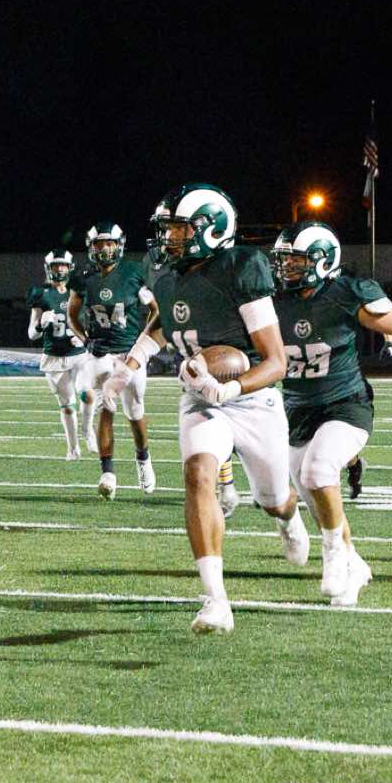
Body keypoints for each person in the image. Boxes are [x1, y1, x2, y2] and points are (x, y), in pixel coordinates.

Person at [104, 184, 308, 634]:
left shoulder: (241, 268)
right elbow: (162, 324)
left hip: (253, 398)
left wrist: (230, 388)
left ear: (210, 228)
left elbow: (276, 361)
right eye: (168, 230)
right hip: (199, 395)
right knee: (198, 474)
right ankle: (216, 600)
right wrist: (128, 367)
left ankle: (290, 517)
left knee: (274, 500)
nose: (169, 238)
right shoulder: (167, 276)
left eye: (179, 229)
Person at [271, 221, 392, 605]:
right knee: (317, 499)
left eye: (296, 260)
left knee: (318, 471)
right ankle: (354, 565)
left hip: (346, 404)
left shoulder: (344, 293)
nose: (286, 268)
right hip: (297, 409)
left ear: (323, 260)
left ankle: (334, 556)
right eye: (284, 260)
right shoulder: (273, 301)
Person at [66, 222, 158, 498]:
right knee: (106, 405)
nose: (104, 249)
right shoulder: (83, 278)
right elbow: (72, 315)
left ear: (119, 245)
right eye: (99, 244)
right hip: (100, 353)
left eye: (109, 243)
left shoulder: (133, 273)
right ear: (90, 247)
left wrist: (142, 343)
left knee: (135, 412)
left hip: (129, 354)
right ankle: (107, 472)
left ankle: (143, 458)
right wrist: (85, 340)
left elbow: (155, 311)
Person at [27, 250, 90, 459]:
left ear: (70, 268)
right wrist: (40, 324)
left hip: (79, 354)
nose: (60, 269)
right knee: (68, 405)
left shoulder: (79, 290)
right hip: (55, 356)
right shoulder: (41, 294)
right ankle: (73, 448)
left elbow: (92, 319)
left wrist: (85, 336)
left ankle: (88, 431)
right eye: (55, 265)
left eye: (63, 265)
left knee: (87, 393)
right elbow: (32, 334)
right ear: (49, 268)